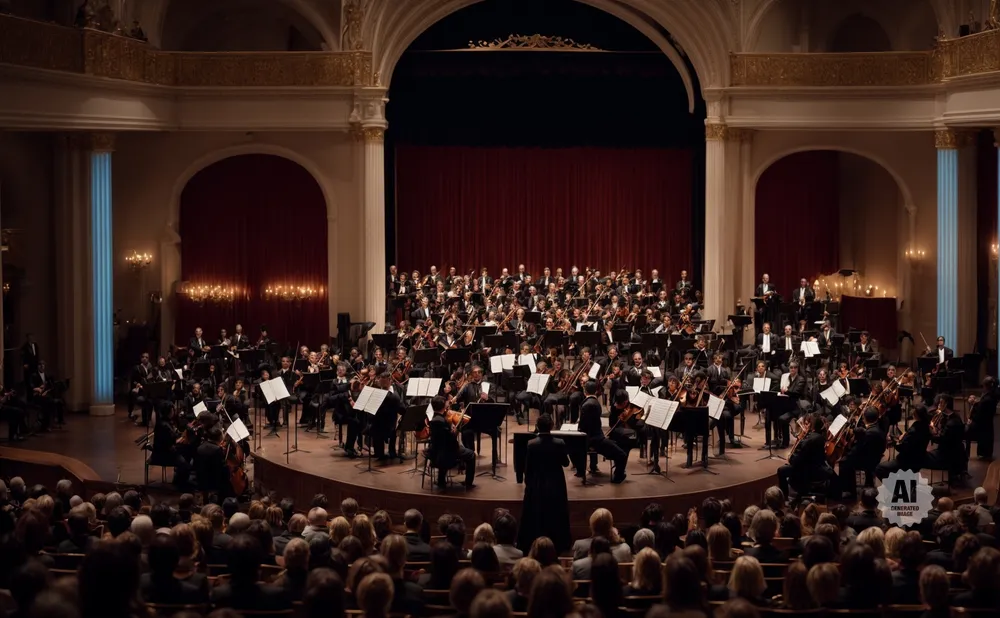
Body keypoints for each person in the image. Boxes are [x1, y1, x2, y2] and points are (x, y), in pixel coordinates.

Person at [518, 414, 571, 552]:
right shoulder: (559, 443)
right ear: (552, 426)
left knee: (537, 513)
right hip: (556, 483)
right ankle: (559, 543)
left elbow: (527, 468)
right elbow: (565, 463)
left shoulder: (531, 444)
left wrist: (529, 486)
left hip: (538, 483)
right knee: (556, 513)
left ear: (537, 426)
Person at [776, 413, 835, 499]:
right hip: (817, 467)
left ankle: (785, 499)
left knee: (781, 470)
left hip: (805, 471)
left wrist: (801, 440)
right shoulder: (822, 436)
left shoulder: (807, 440)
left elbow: (794, 460)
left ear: (812, 426)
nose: (804, 426)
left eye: (807, 424)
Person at [579, 381, 627, 483]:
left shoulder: (587, 403)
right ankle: (617, 478)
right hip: (595, 440)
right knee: (622, 455)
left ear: (584, 391)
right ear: (596, 391)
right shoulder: (594, 403)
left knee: (616, 446)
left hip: (593, 437)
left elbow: (583, 426)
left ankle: (593, 466)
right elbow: (585, 428)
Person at [427, 396, 476, 489]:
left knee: (443, 448)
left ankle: (441, 480)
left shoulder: (433, 419)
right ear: (443, 406)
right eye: (446, 403)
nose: (447, 404)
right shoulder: (442, 421)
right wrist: (455, 431)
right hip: (447, 452)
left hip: (434, 449)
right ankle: (468, 483)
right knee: (471, 454)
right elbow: (451, 440)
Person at [877, 404, 931, 479]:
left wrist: (894, 441)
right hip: (919, 457)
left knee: (879, 468)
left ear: (917, 414)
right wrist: (902, 437)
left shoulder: (915, 429)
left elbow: (902, 447)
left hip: (908, 461)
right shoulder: (925, 426)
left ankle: (894, 488)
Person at [967, 376, 998, 460]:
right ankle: (985, 453)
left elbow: (979, 414)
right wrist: (977, 401)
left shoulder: (987, 399)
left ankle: (967, 453)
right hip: (986, 422)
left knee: (967, 429)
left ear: (986, 386)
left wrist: (971, 418)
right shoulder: (992, 394)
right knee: (987, 437)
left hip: (981, 423)